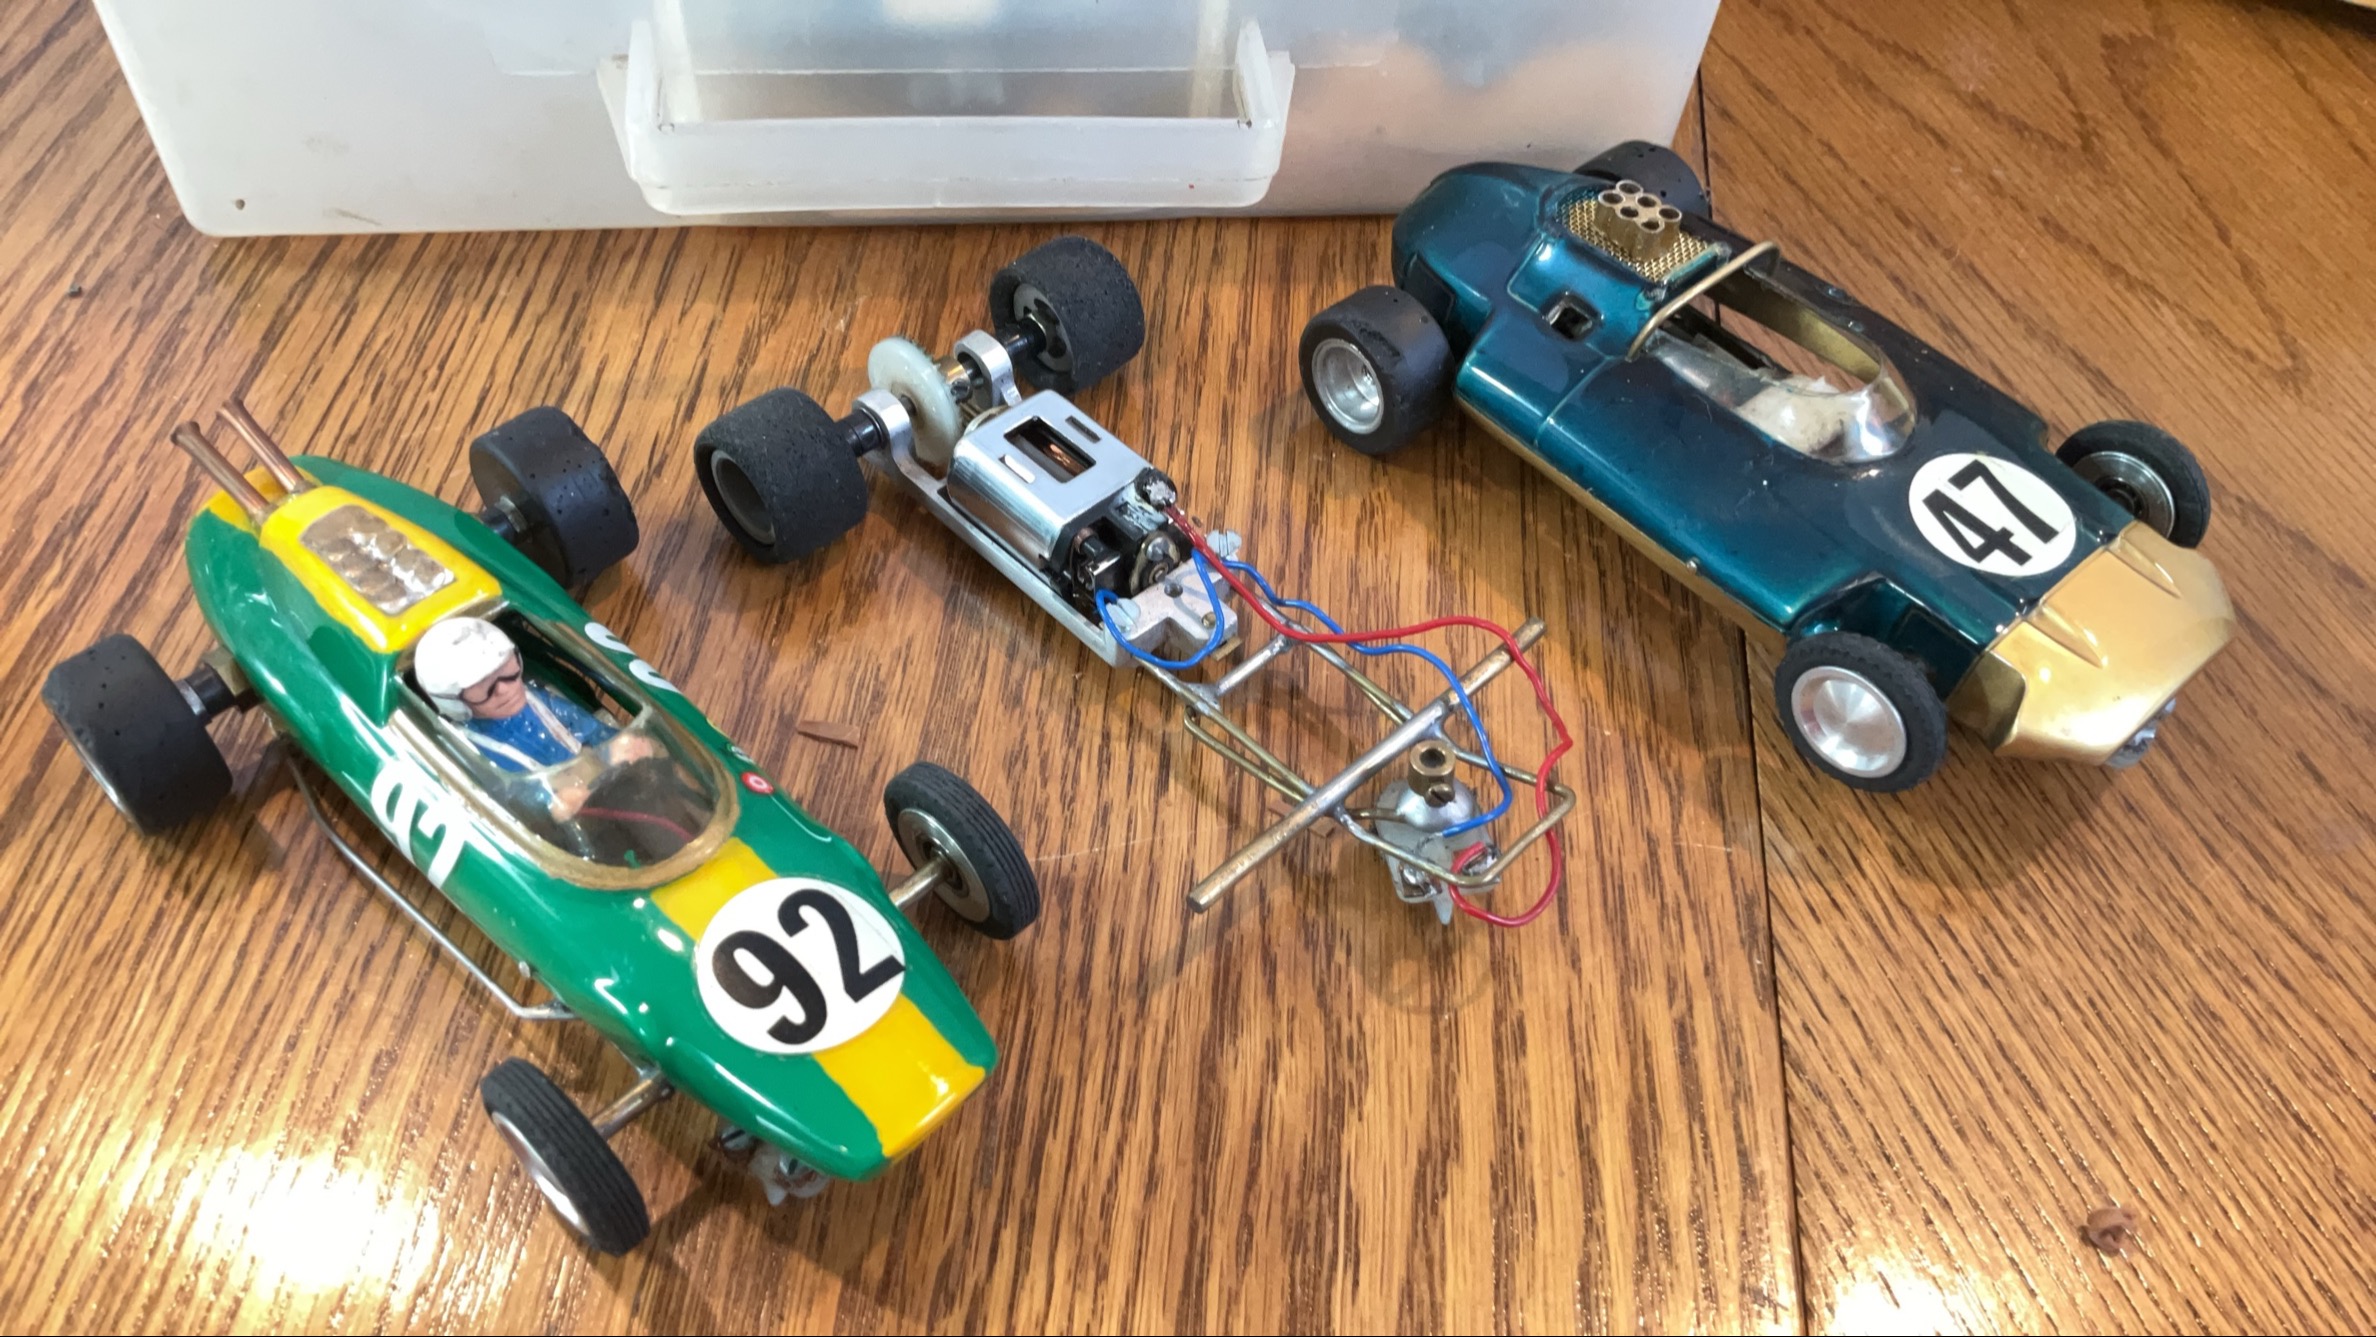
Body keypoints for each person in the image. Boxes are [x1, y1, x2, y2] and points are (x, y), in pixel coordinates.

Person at [415, 617, 655, 820]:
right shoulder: (468, 745)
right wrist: (548, 802)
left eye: (506, 672)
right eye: (484, 687)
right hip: (563, 814)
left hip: (593, 780)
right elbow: (504, 792)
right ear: (454, 701)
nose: (504, 689)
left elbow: (584, 725)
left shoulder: (539, 699)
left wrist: (615, 743)